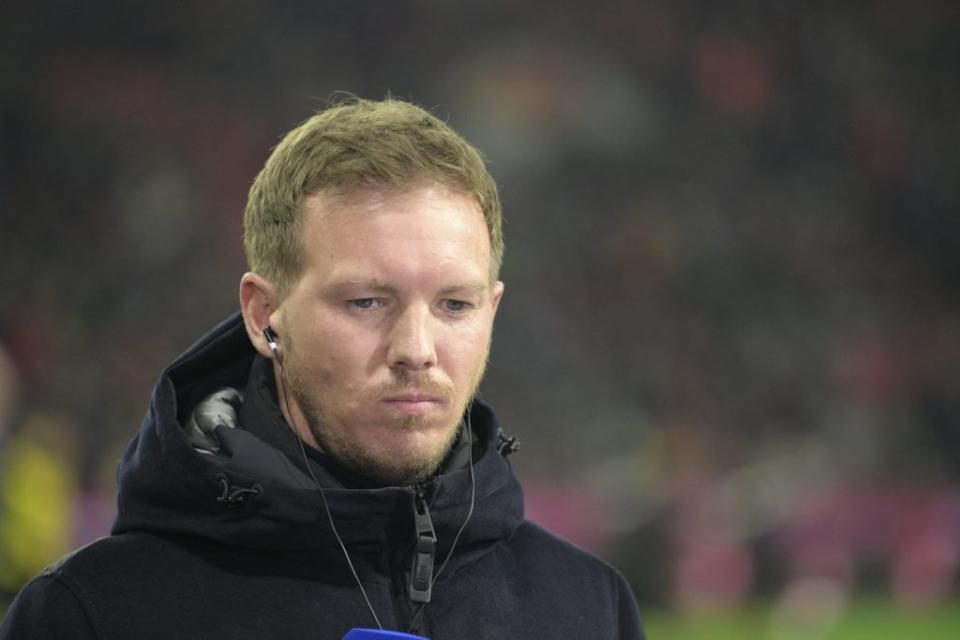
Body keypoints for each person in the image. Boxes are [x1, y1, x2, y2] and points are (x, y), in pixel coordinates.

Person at [0, 98, 644, 639]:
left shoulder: (590, 608)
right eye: (366, 302)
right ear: (264, 313)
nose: (416, 348)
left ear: (492, 309)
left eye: (454, 304)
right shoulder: (90, 615)